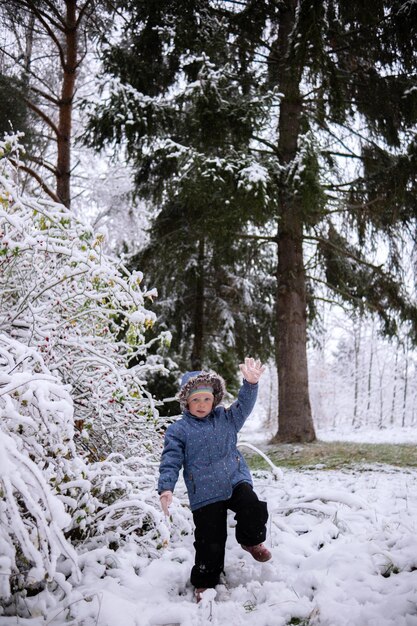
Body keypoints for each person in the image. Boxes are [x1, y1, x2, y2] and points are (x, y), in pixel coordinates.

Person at [158, 357, 271, 602]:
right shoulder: (179, 431)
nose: (201, 404)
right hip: (205, 492)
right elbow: (170, 460)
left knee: (252, 505)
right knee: (210, 540)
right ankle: (205, 582)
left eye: (207, 399)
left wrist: (250, 384)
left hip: (234, 479)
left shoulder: (226, 418)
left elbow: (244, 406)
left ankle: (251, 542)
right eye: (195, 399)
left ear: (214, 400)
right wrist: (166, 487)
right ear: (186, 402)